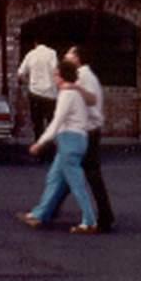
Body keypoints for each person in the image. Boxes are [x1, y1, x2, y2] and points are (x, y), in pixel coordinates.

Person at [16, 59, 98, 235]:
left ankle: (89, 221)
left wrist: (40, 142)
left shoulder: (67, 95)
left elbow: (57, 122)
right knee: (54, 179)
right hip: (71, 141)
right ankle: (39, 214)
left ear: (61, 75)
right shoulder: (71, 93)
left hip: (70, 140)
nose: (53, 77)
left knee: (76, 184)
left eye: (55, 74)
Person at [54, 45, 115, 233]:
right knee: (72, 171)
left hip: (87, 130)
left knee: (87, 173)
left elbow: (84, 103)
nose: (66, 56)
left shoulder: (83, 77)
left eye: (70, 54)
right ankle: (50, 209)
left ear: (78, 58)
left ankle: (104, 217)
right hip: (89, 130)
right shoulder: (87, 76)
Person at [17, 40, 58, 141]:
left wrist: (28, 82)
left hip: (35, 94)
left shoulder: (31, 54)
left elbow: (20, 74)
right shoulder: (52, 53)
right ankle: (51, 148)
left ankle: (40, 148)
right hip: (50, 95)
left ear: (35, 43)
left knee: (37, 125)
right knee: (51, 123)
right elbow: (56, 71)